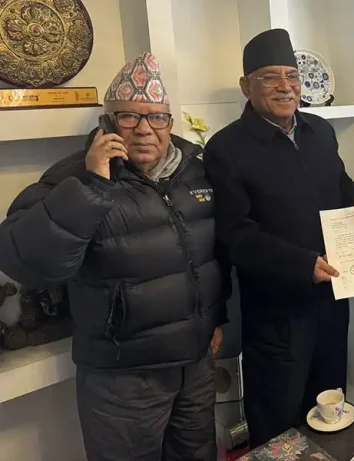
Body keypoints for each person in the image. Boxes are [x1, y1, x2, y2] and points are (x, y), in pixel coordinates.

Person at [0, 52, 229, 460]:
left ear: (169, 123)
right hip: (123, 380)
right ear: (106, 121)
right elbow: (25, 261)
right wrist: (92, 186)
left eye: (156, 117)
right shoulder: (71, 177)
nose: (144, 129)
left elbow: (212, 256)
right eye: (128, 117)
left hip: (194, 367)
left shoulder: (194, 170)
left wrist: (216, 320)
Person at [203, 28, 354, 447]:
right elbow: (235, 234)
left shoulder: (320, 131)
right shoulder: (226, 149)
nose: (285, 85)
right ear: (246, 86)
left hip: (332, 304)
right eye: (269, 77)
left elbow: (337, 184)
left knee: (330, 414)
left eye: (292, 75)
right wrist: (302, 264)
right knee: (278, 425)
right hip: (276, 316)